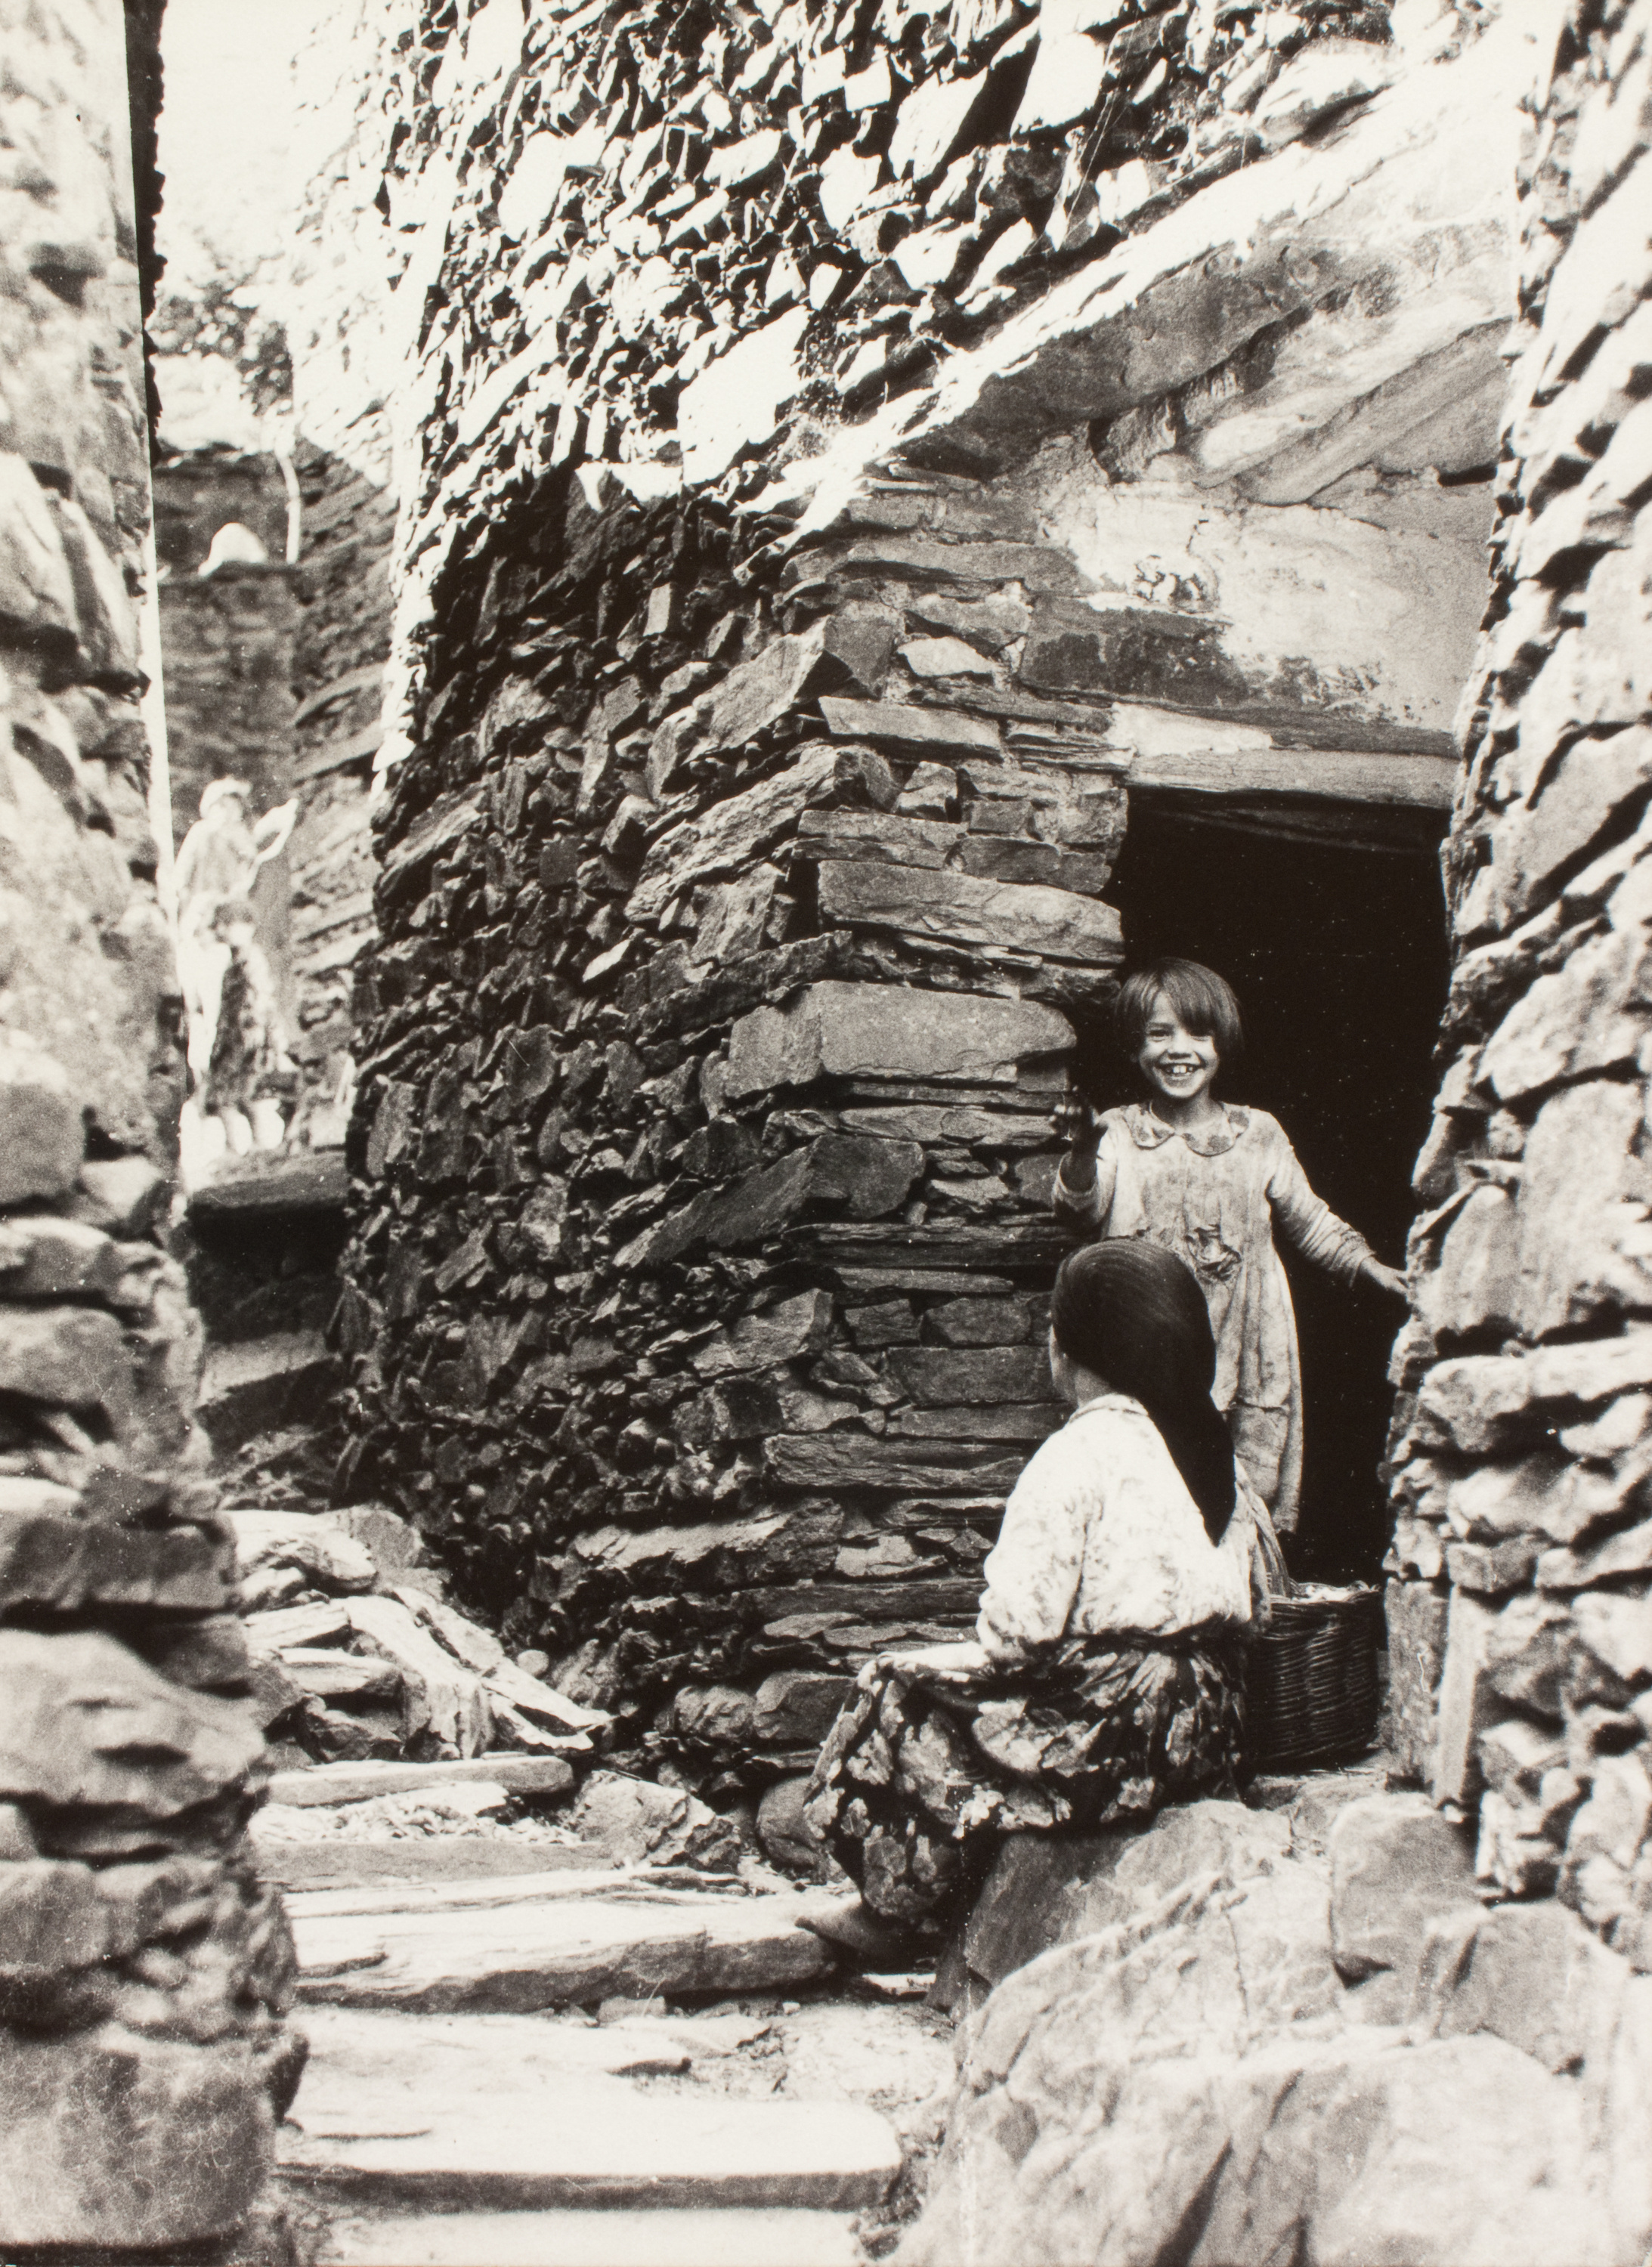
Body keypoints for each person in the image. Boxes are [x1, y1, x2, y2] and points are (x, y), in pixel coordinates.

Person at [802, 1239, 1286, 1939]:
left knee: (891, 1688)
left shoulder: (1076, 1454)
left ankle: (896, 1913)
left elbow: (1017, 1637)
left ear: (1065, 1349)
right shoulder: (1219, 1462)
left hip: (1110, 1732)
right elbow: (1260, 1607)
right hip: (1208, 1731)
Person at [1053, 959, 1404, 1533]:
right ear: (1134, 1046)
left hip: (1243, 1342)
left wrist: (1370, 1268)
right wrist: (1083, 1151)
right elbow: (1077, 1212)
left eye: (1198, 1033)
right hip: (1149, 1347)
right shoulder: (1116, 1129)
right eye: (1158, 1034)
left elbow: (1311, 1222)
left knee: (1236, 1506)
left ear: (1223, 1041)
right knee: (1145, 1499)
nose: (1178, 1050)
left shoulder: (1258, 1134)